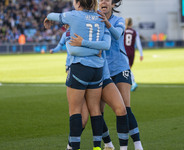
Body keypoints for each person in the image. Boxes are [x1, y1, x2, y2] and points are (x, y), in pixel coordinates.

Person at [44, 0, 111, 149]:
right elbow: (105, 46)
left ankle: (73, 147)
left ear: (79, 3)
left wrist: (48, 18)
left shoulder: (73, 15)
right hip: (97, 69)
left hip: (80, 68)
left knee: (75, 111)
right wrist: (95, 51)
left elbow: (51, 15)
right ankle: (97, 147)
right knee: (95, 109)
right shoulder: (100, 17)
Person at [97, 0, 144, 150]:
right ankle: (108, 144)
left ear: (113, 4)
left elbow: (117, 35)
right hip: (102, 70)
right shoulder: (92, 20)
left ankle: (138, 146)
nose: (103, 1)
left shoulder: (118, 21)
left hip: (120, 67)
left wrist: (106, 23)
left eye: (107, 0)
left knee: (124, 108)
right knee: (97, 111)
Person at [124, 18, 143, 91]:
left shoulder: (123, 31)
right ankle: (130, 83)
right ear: (131, 24)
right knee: (128, 68)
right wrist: (141, 54)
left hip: (125, 52)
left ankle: (133, 82)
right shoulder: (135, 32)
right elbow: (138, 44)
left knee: (127, 69)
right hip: (132, 52)